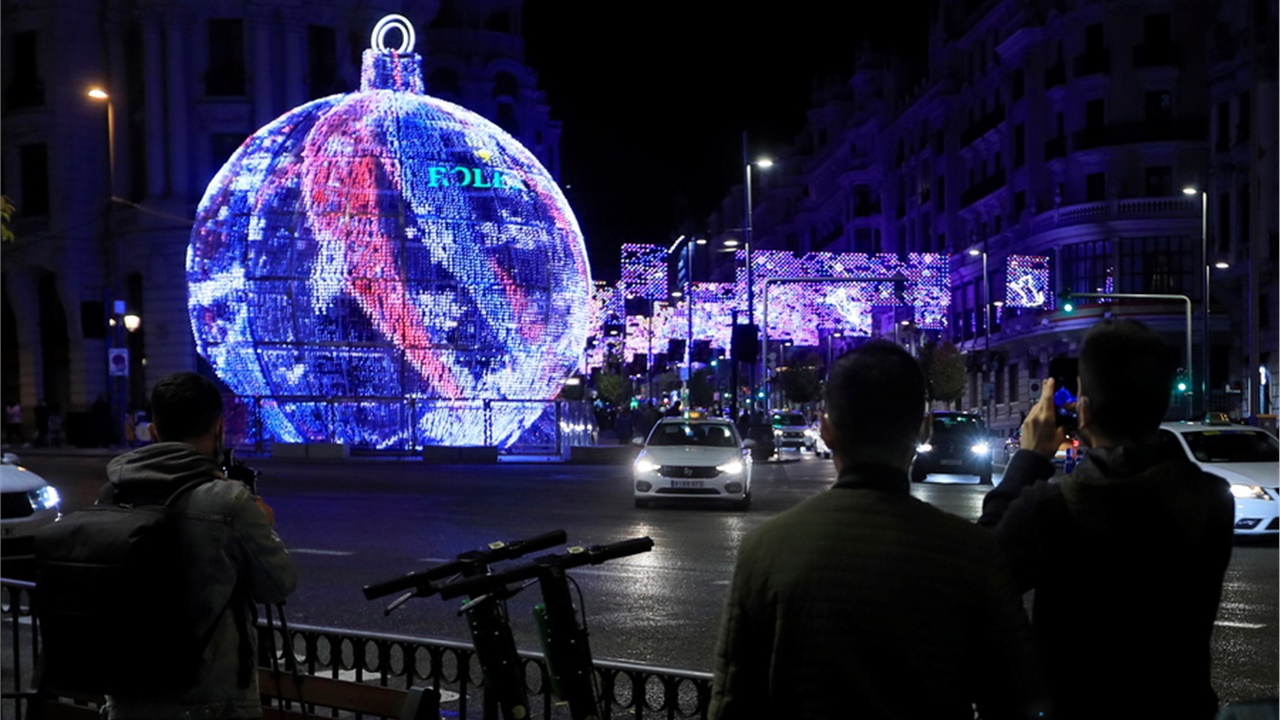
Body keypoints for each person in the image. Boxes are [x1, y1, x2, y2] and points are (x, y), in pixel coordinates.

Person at [710, 340, 1045, 719]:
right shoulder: (973, 554)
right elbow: (1018, 699)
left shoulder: (763, 551)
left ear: (826, 429)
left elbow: (734, 702)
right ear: (924, 430)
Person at [979, 319, 1234, 719]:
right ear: (1163, 401)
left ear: (1083, 408)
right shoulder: (1213, 499)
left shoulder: (1048, 508)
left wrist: (1028, 459)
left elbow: (979, 572)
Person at [98, 372, 297, 719]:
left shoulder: (112, 494)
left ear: (154, 432)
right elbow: (279, 584)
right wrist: (263, 524)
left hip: (127, 699)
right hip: (211, 703)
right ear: (219, 429)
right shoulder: (227, 502)